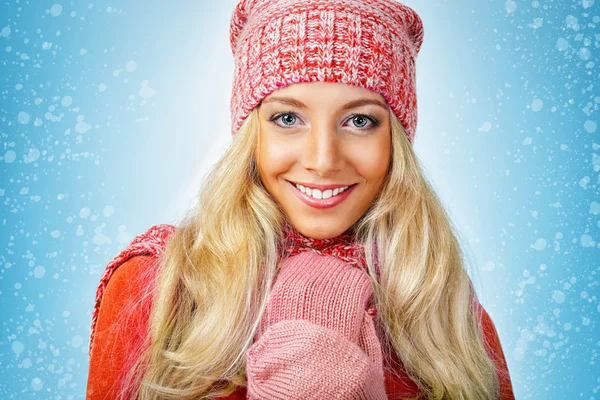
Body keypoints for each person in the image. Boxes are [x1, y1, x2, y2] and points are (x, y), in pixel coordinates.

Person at [86, 0, 516, 399]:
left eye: (359, 120)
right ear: (251, 135)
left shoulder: (450, 322)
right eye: (288, 118)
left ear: (395, 143)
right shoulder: (157, 287)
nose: (323, 160)